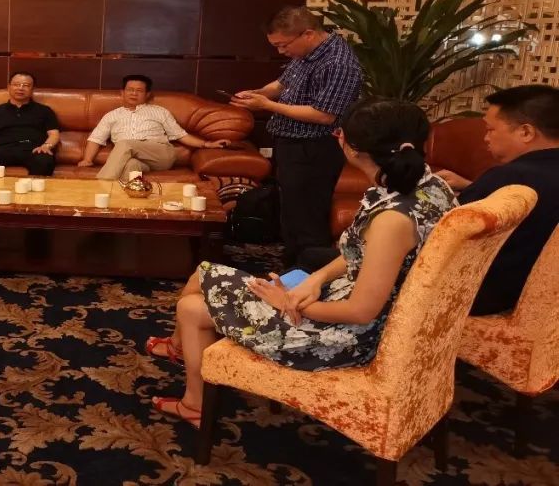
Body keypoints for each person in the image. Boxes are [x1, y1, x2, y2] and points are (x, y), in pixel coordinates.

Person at [146, 100, 455, 427]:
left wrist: (287, 302)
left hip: (344, 337)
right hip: (350, 305)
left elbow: (361, 311)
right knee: (202, 277)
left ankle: (193, 400)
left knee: (192, 305)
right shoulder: (431, 187)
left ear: (351, 148)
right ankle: (181, 350)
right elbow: (364, 255)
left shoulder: (392, 220)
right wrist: (317, 278)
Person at [230, 7, 362, 266]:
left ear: (308, 34)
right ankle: (292, 266)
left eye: (283, 45)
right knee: (291, 211)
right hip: (292, 144)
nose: (281, 51)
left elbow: (324, 115)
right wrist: (258, 94)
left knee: (307, 216)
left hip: (315, 147)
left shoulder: (338, 63)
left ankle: (310, 273)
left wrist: (267, 106)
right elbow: (282, 84)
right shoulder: (306, 53)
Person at [436, 84, 559, 315]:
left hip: (481, 302)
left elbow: (443, 238)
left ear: (526, 132)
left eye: (490, 129)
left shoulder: (508, 177)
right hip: (545, 308)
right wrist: (472, 186)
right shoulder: (517, 179)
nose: (486, 138)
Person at [78, 74, 232, 180]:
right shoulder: (112, 115)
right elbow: (96, 138)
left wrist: (206, 144)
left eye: (139, 91)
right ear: (122, 93)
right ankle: (123, 206)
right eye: (130, 90)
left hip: (161, 154)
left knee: (124, 144)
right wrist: (87, 160)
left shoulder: (159, 112)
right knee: (131, 166)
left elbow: (180, 135)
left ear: (147, 94)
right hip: (135, 158)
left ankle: (100, 186)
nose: (133, 94)